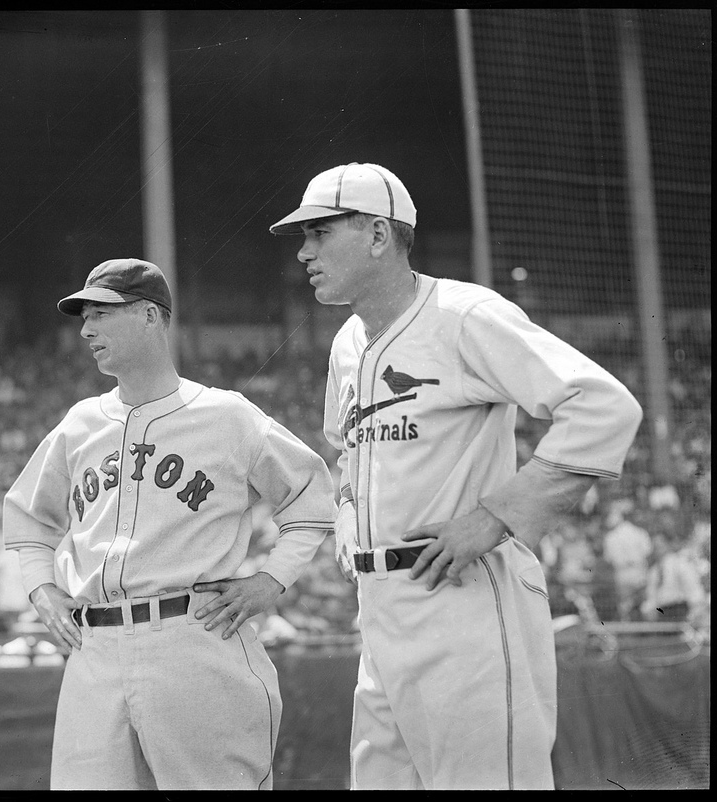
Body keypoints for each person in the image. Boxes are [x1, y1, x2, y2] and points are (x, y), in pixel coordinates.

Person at [269, 162, 643, 790]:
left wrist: (497, 517)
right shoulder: (345, 344)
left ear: (379, 234)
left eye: (320, 232)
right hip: (381, 608)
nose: (303, 252)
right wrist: (347, 523)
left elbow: (604, 406)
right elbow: (345, 448)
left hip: (464, 597)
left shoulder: (464, 314)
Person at [3, 258, 336, 791]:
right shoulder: (80, 423)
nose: (87, 328)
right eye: (83, 315)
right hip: (94, 648)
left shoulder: (227, 415)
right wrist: (41, 589)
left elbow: (312, 499)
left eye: (103, 312)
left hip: (192, 637)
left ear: (152, 317)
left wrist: (271, 580)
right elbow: (27, 518)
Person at [640, 532, 705, 623]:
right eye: (655, 546)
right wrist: (648, 609)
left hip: (680, 610)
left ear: (668, 544)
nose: (657, 549)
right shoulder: (654, 571)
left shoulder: (680, 564)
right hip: (661, 612)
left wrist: (695, 612)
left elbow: (694, 591)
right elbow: (651, 597)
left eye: (660, 545)